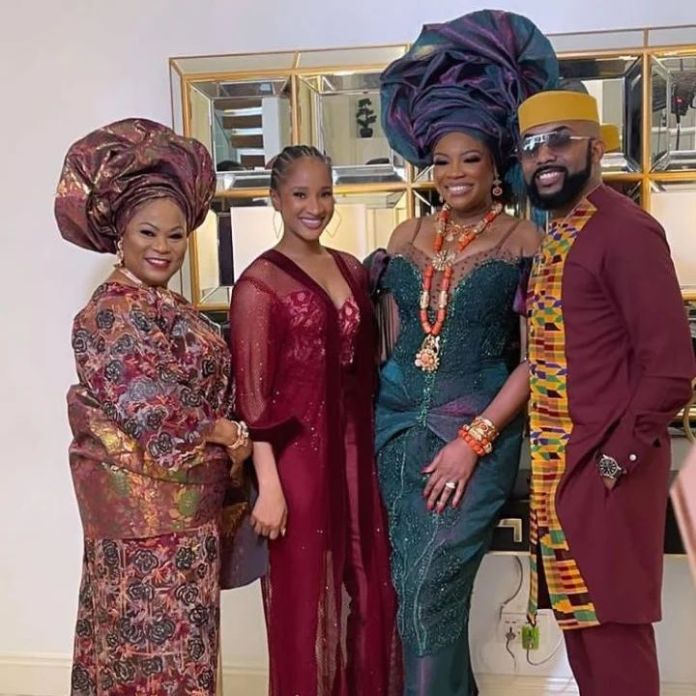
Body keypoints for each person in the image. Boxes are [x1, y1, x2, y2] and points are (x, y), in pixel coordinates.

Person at [372, 10, 558, 695]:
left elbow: (539, 358)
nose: (454, 173)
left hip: (478, 437)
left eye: (470, 158)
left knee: (433, 586)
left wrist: (474, 440)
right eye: (443, 160)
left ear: (496, 165)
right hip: (396, 436)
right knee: (412, 591)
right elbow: (393, 338)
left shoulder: (524, 242)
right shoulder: (404, 235)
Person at [55, 118, 254, 695]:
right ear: (120, 234)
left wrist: (230, 439)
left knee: (185, 658)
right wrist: (225, 433)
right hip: (142, 529)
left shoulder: (173, 308)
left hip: (190, 520)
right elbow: (153, 410)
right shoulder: (109, 313)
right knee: (142, 658)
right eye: (148, 232)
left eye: (175, 235)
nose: (162, 248)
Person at [518, 89, 695, 696]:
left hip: (604, 475)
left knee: (618, 651)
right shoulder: (561, 232)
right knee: (587, 652)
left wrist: (614, 463)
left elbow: (671, 369)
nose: (544, 156)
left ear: (596, 148)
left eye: (559, 141)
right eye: (530, 147)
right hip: (560, 479)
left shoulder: (626, 231)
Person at [228, 145, 401, 696]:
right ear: (275, 199)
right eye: (300, 194)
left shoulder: (350, 267)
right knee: (305, 602)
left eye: (325, 193)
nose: (315, 206)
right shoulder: (258, 286)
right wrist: (269, 487)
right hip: (295, 463)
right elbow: (253, 400)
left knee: (369, 590)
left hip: (356, 452)